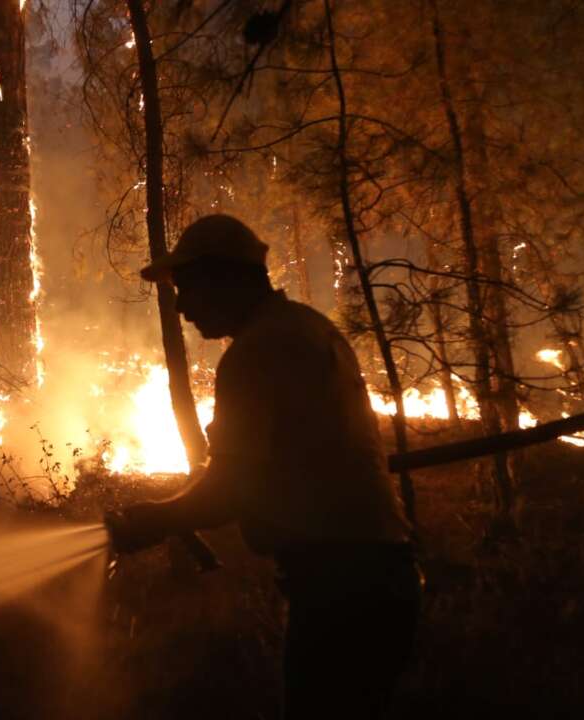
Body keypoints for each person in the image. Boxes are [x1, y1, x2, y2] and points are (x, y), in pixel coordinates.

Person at [105, 214, 422, 719]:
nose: (182, 307)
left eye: (187, 288)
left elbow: (229, 490)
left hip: (340, 588)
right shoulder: (309, 327)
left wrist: (152, 519)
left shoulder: (257, 353)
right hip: (378, 576)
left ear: (224, 278)